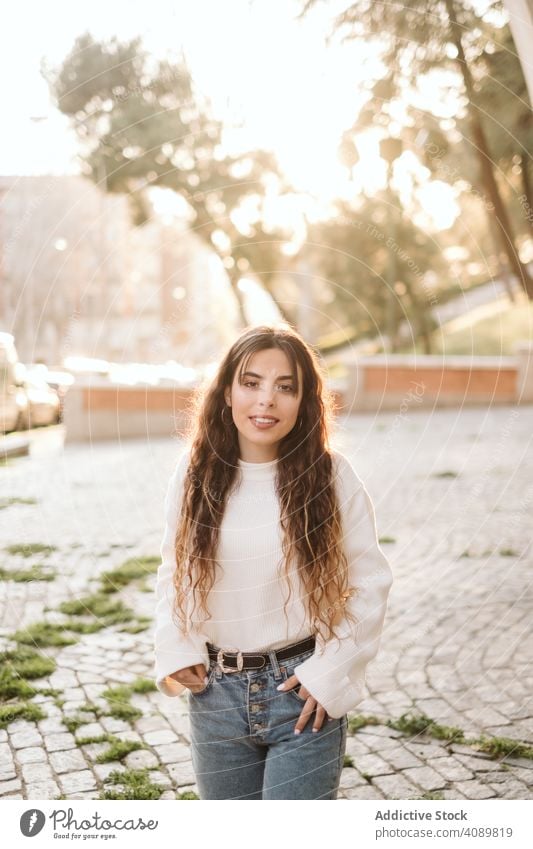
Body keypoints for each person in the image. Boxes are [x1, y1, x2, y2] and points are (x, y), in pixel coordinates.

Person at [154, 324, 393, 800]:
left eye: (285, 387)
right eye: (251, 382)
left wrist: (328, 674)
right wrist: (176, 649)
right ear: (226, 391)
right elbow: (174, 570)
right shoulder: (194, 473)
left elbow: (370, 584)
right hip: (216, 698)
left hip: (301, 694)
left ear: (304, 402)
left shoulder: (331, 476)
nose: (266, 400)